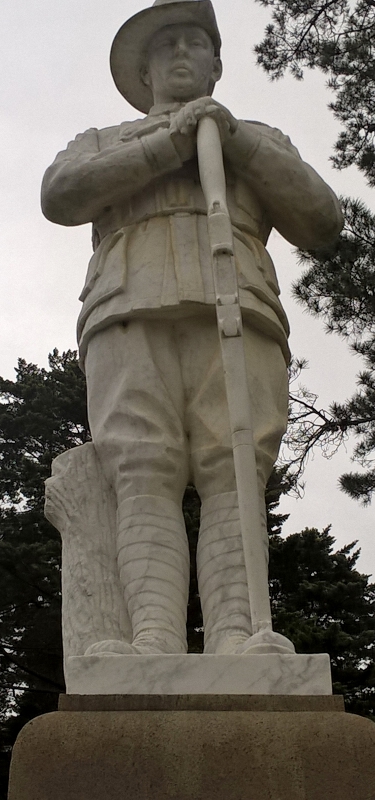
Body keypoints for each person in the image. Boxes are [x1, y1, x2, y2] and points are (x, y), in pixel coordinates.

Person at [41, 0, 343, 656]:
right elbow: (60, 195)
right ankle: (151, 639)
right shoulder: (103, 141)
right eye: (164, 46)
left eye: (193, 42)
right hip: (127, 309)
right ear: (144, 74)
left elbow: (321, 221)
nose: (180, 53)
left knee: (233, 468)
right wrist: (167, 145)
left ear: (215, 63)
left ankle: (239, 636)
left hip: (238, 308)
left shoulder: (255, 141)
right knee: (142, 469)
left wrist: (234, 143)